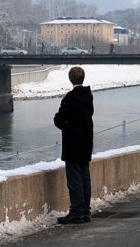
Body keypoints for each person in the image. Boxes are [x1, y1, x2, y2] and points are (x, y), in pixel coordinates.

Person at [54, 66, 94, 225]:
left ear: (71, 79)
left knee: (74, 179)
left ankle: (76, 212)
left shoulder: (70, 99)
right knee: (85, 177)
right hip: (86, 141)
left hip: (73, 143)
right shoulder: (88, 96)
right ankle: (85, 211)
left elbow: (58, 120)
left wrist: (67, 124)